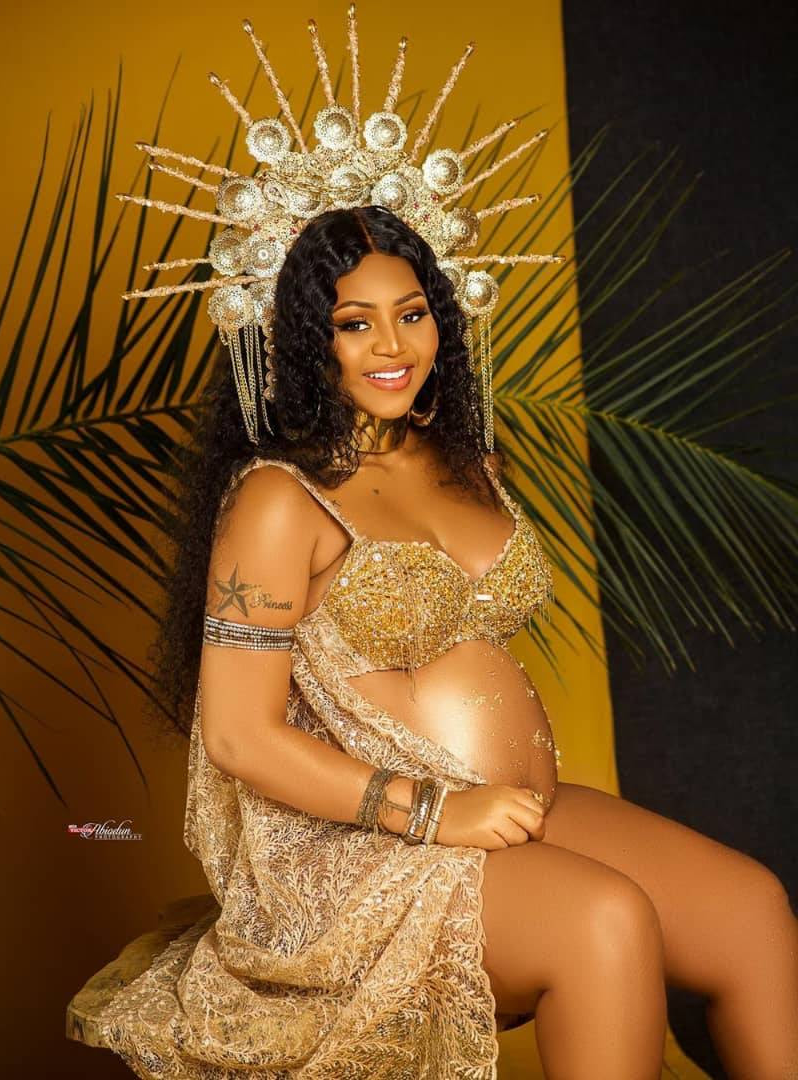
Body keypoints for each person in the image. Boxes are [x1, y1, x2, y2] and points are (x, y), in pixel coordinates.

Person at [82, 10, 797, 1076]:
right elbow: (237, 735)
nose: (392, 345)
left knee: (750, 908)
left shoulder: (464, 460)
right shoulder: (279, 499)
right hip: (368, 846)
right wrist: (431, 810)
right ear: (301, 339)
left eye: (412, 313)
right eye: (354, 322)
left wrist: (481, 808)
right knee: (605, 923)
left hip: (516, 813)